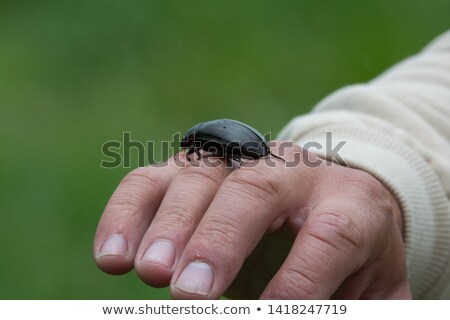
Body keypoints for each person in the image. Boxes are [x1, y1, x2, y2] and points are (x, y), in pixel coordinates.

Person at [93, 30, 450, 299]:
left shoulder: (205, 139)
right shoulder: (211, 139)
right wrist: (380, 176)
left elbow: (214, 147)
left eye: (191, 148)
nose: (191, 151)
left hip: (251, 147)